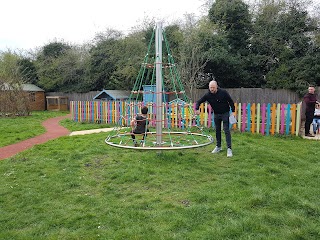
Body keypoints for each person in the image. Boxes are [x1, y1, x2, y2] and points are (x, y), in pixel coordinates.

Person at [195, 80, 235, 157]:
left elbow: (230, 101)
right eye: (210, 88)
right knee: (217, 130)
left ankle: (229, 149)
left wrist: (233, 111)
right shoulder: (208, 95)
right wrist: (197, 108)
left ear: (216, 86)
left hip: (225, 113)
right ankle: (218, 146)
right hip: (216, 114)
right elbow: (199, 101)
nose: (212, 89)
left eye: (213, 87)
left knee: (226, 130)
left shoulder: (223, 92)